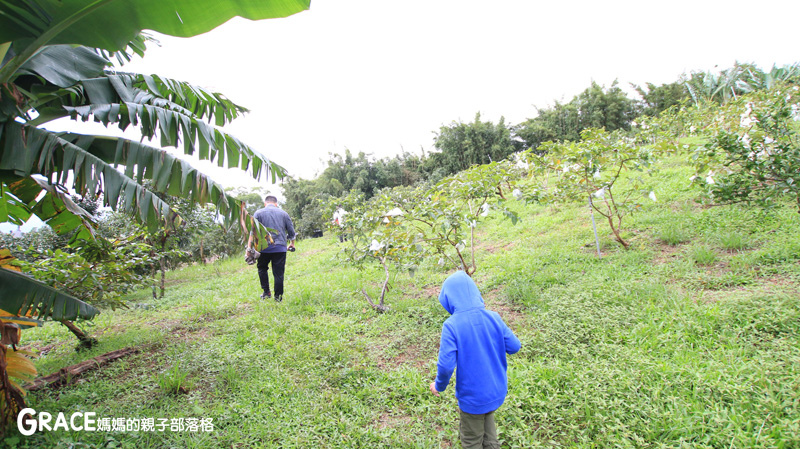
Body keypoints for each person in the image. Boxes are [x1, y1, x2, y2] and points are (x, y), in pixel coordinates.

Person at [429, 271, 521, 449]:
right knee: (488, 429)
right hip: (496, 391)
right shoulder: (494, 317)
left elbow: (446, 366)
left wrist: (439, 385)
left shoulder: (452, 325)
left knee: (472, 441)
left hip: (472, 398)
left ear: (449, 299)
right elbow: (515, 346)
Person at [248, 195, 296, 302]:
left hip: (263, 247)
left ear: (265, 203)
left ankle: (266, 292)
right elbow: (291, 231)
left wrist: (249, 248)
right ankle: (278, 298)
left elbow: (253, 232)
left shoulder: (258, 213)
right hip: (280, 247)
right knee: (278, 273)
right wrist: (292, 243)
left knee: (262, 269)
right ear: (276, 204)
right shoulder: (284, 213)